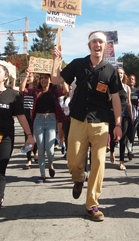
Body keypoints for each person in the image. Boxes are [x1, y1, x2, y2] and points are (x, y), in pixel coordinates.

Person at [52, 31, 122, 222]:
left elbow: (116, 98)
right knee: (73, 160)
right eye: (94, 42)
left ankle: (92, 204)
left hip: (100, 123)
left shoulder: (111, 70)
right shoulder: (77, 64)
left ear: (105, 46)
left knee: (99, 164)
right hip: (78, 119)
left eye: (100, 42)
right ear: (89, 45)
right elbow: (55, 80)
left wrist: (118, 123)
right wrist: (56, 60)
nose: (97, 45)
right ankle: (78, 178)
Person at [0, 64, 35, 221]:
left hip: (5, 138)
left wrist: (29, 135)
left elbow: (21, 116)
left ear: (6, 77)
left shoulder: (13, 95)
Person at [20, 70, 68, 183]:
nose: (44, 79)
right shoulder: (36, 92)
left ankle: (50, 164)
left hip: (51, 121)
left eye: (46, 77)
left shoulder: (54, 92)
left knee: (50, 149)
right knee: (41, 148)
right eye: (42, 78)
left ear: (50, 80)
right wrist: (26, 76)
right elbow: (22, 89)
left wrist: (62, 75)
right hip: (38, 121)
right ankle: (42, 175)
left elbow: (65, 90)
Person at [110, 67, 134, 170]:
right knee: (113, 136)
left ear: (123, 75)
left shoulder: (127, 88)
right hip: (113, 114)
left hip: (125, 115)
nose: (119, 74)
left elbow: (129, 103)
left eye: (121, 73)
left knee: (123, 138)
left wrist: (132, 116)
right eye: (118, 73)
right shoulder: (111, 86)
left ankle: (121, 161)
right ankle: (111, 151)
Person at [19, 71, 39, 169]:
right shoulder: (25, 89)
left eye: (31, 76)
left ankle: (35, 153)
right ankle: (28, 159)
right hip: (26, 113)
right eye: (28, 76)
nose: (29, 78)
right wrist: (26, 76)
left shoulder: (37, 90)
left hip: (35, 113)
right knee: (27, 136)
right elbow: (21, 89)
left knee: (34, 136)